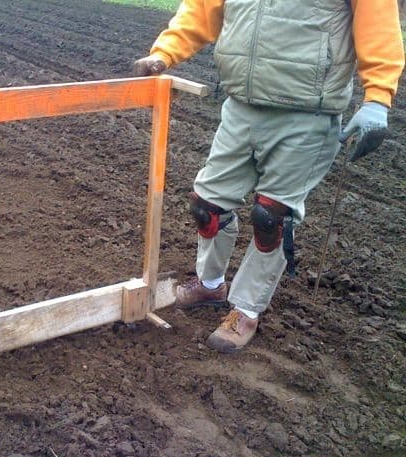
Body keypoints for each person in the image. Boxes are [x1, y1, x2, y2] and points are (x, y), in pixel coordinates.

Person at [134, 0, 404, 353]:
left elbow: (379, 25)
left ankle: (245, 310)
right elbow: (201, 10)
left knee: (271, 216)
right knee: (207, 206)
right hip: (241, 107)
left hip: (308, 115)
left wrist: (377, 98)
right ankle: (211, 284)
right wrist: (164, 54)